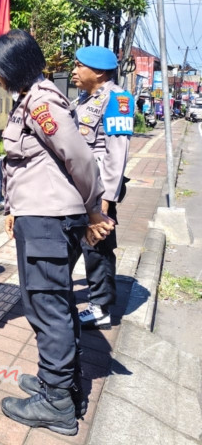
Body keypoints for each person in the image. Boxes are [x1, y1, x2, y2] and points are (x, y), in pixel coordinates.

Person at [0, 30, 114, 435]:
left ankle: (57, 402)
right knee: (50, 303)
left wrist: (95, 208)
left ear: (13, 66)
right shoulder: (31, 97)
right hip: (38, 215)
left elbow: (79, 157)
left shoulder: (41, 102)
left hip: (47, 219)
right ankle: (59, 383)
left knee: (47, 306)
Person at [70, 46, 133, 330]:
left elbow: (116, 154)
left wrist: (106, 198)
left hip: (98, 189)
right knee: (77, 242)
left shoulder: (117, 99)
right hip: (77, 186)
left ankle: (101, 308)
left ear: (98, 71)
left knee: (97, 246)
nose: (73, 70)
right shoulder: (83, 99)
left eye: (79, 66)